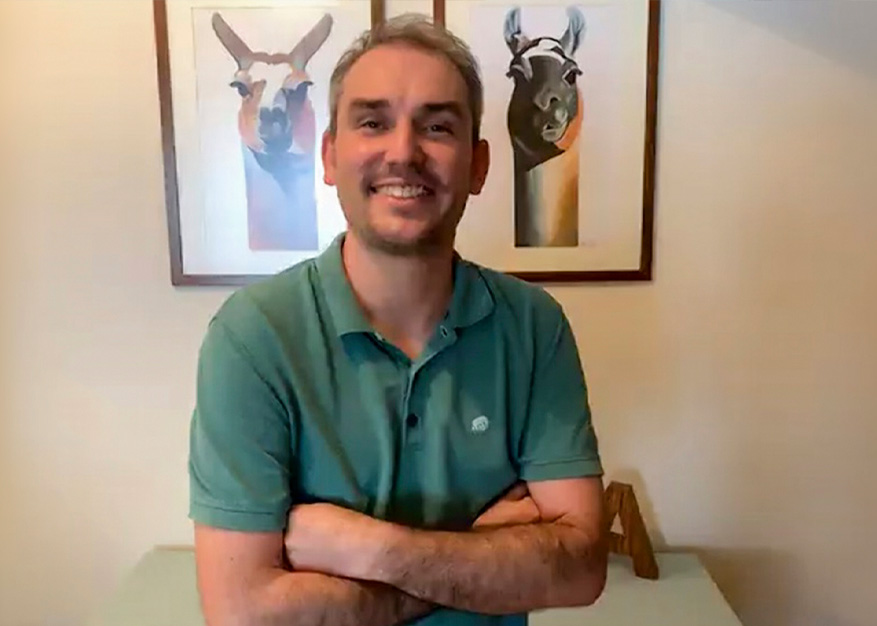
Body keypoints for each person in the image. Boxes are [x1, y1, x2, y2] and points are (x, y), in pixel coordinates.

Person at [188, 13, 607, 626]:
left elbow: (581, 567)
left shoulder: (534, 326)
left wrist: (368, 549)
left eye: (437, 126)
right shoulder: (252, 337)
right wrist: (474, 554)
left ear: (478, 166)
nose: (404, 152)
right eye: (373, 122)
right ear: (330, 156)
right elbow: (244, 613)